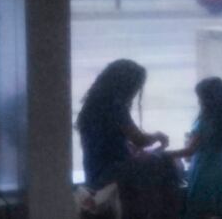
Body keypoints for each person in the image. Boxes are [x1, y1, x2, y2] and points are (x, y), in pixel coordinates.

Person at [76, 59, 178, 218]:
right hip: (112, 172)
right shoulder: (116, 107)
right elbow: (140, 139)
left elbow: (105, 141)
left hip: (94, 172)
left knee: (156, 164)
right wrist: (158, 136)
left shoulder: (91, 105)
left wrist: (130, 148)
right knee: (167, 163)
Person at [167, 77, 222, 219]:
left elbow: (189, 151)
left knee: (203, 213)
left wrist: (164, 155)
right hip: (221, 174)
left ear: (207, 100)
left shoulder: (203, 123)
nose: (199, 102)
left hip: (203, 176)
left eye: (200, 98)